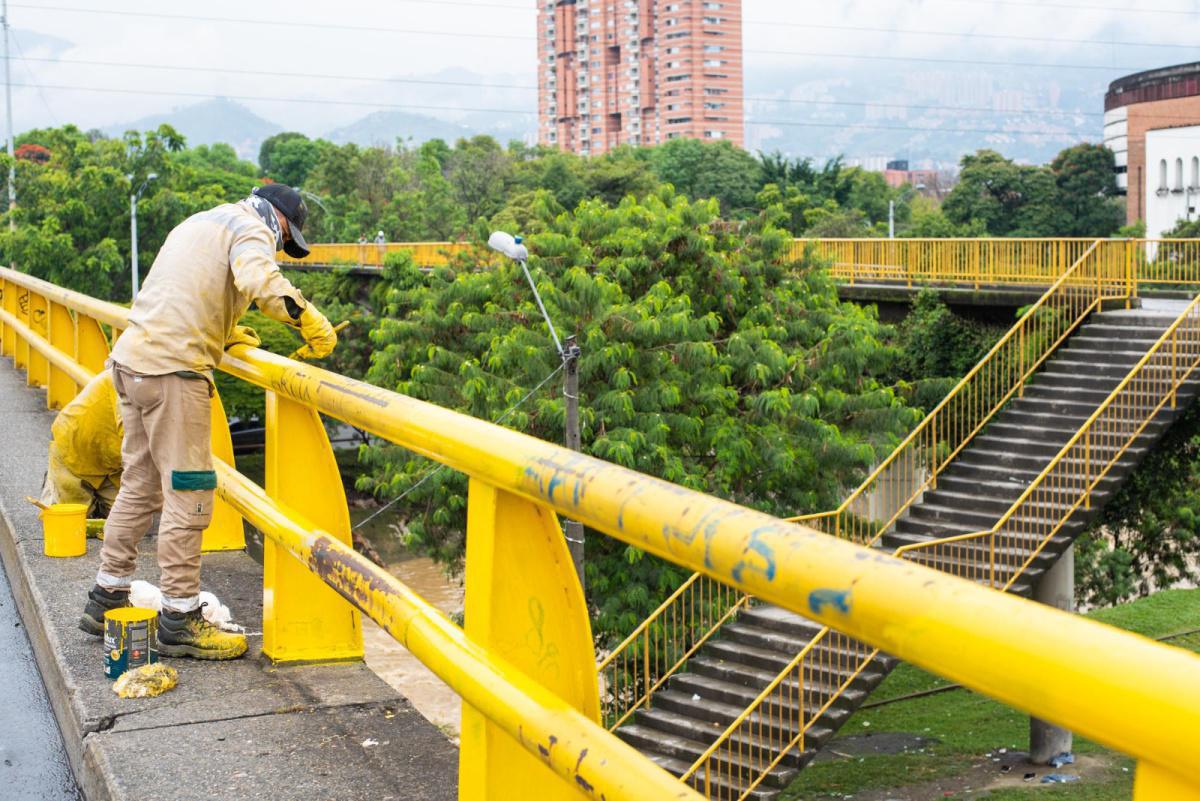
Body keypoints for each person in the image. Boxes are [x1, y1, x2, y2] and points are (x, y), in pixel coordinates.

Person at [78, 184, 337, 661]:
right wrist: (308, 319)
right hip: (173, 373)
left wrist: (222, 328)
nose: (281, 244)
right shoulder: (252, 228)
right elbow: (263, 281)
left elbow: (183, 290)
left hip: (131, 362)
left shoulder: (200, 221)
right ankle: (180, 616)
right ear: (279, 220)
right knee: (190, 490)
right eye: (285, 237)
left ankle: (106, 597)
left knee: (139, 483)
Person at [40, 326, 261, 520]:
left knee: (125, 518)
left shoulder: (158, 367)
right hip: (75, 452)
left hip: (109, 461)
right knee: (74, 519)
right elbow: (133, 438)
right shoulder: (132, 376)